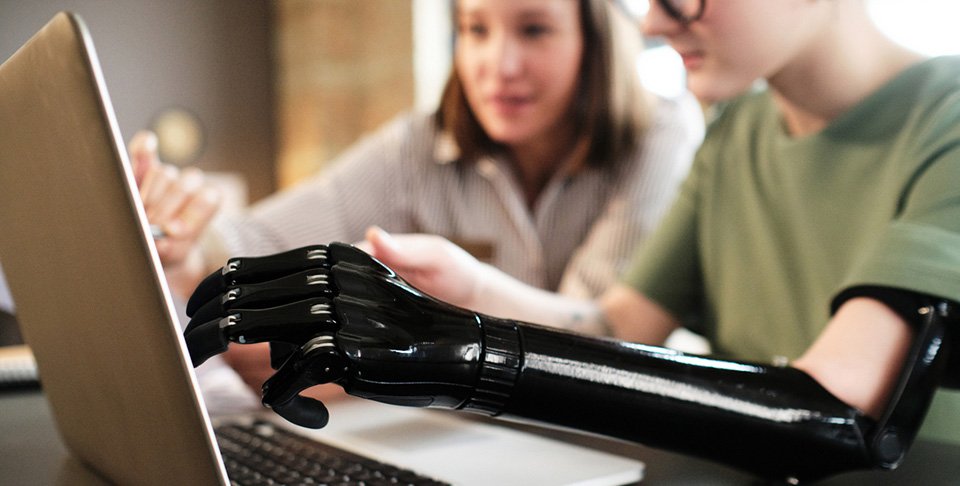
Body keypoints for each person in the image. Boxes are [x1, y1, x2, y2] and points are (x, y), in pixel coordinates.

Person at [179, 0, 960, 480]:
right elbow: (620, 328)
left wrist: (463, 348)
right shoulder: (736, 134)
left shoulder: (948, 119)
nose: (651, 22)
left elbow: (831, 417)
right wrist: (474, 295)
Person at [131, 0, 703, 393]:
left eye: (534, 30)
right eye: (475, 29)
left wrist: (461, 301)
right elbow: (254, 239)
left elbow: (603, 341)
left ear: (597, 39)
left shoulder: (661, 135)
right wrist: (183, 235)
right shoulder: (415, 146)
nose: (498, 66)